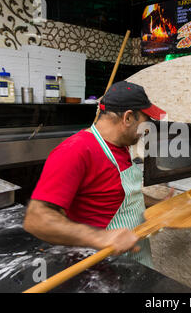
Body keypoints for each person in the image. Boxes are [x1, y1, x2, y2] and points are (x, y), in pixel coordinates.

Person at [23, 81, 170, 268]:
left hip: (133, 260)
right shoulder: (75, 151)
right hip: (99, 266)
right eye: (146, 122)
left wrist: (160, 205)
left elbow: (122, 193)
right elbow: (36, 219)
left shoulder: (122, 147)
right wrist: (102, 237)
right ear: (128, 118)